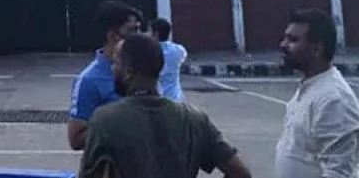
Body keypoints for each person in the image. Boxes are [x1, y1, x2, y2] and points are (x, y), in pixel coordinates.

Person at [81, 33, 252, 178]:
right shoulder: (194, 119)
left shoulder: (104, 121)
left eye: (116, 63)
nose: (112, 69)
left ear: (129, 72)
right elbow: (240, 173)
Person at [276, 7, 359, 178]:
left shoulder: (333, 99)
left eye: (293, 40)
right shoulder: (310, 86)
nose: (283, 45)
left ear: (317, 49)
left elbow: (338, 172)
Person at [68, 0, 144, 150]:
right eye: (132, 30)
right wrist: (117, 124)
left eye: (140, 29)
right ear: (113, 36)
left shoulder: (145, 68)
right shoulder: (89, 80)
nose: (139, 36)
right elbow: (76, 139)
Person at [150, 18, 187, 102]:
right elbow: (182, 58)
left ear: (156, 33)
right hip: (175, 98)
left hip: (156, 98)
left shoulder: (150, 51)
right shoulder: (179, 49)